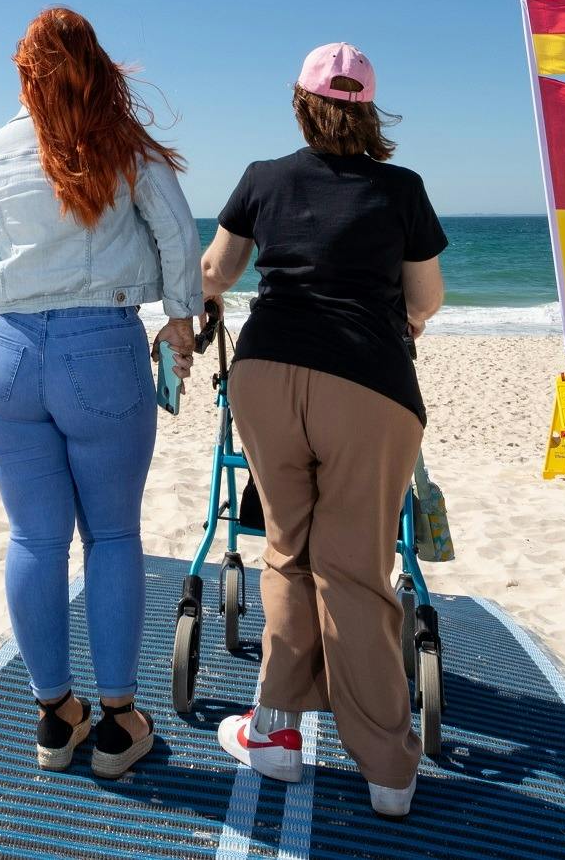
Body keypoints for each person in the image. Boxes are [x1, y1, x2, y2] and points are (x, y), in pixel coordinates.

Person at [203, 42, 446, 820]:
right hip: (369, 385)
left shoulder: (262, 179)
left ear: (301, 102)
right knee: (357, 569)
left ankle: (276, 735)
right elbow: (427, 299)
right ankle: (387, 772)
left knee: (287, 551)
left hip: (268, 374)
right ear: (369, 108)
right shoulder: (402, 189)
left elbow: (214, 274)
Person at [0, 7, 202, 780]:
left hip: (7, 354)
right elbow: (176, 236)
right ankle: (118, 720)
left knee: (34, 538)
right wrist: (181, 319)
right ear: (95, 64)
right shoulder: (120, 145)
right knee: (111, 536)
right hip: (99, 348)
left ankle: (54, 715)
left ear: (24, 73)